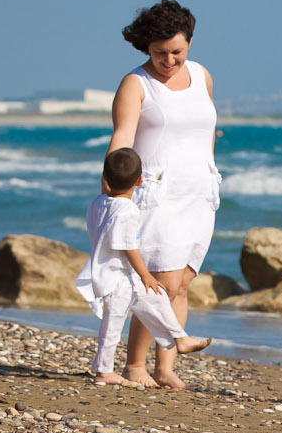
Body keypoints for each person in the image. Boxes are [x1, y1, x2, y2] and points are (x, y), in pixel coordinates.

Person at [106, 0, 220, 389]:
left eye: (177, 51)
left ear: (189, 42)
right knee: (160, 283)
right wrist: (113, 192)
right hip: (156, 194)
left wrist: (209, 176)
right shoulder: (136, 84)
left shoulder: (202, 76)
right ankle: (135, 366)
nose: (169, 60)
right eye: (159, 53)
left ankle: (165, 368)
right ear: (146, 48)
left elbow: (204, 134)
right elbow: (122, 140)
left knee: (182, 283)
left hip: (199, 194)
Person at [76, 148, 211, 384]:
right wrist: (146, 275)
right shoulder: (127, 210)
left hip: (124, 277)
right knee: (112, 326)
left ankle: (180, 339)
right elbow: (128, 247)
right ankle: (104, 371)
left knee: (157, 299)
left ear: (105, 178)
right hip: (115, 278)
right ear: (140, 181)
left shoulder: (98, 203)